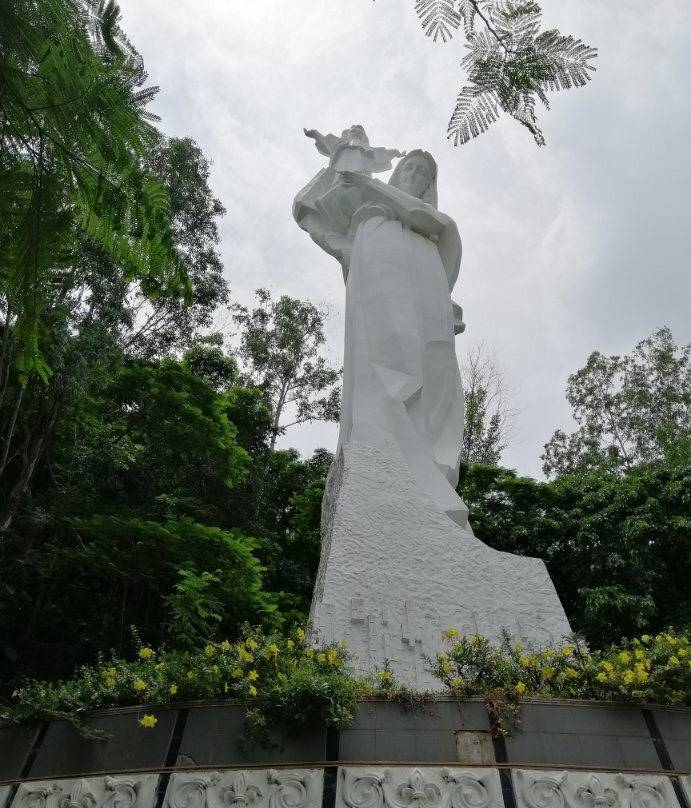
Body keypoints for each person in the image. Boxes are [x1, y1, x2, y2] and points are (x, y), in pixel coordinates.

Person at [293, 149, 469, 527]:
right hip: (381, 273)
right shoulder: (369, 223)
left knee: (437, 369)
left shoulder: (431, 225)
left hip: (429, 296)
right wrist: (341, 158)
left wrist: (369, 184)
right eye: (410, 167)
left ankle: (430, 468)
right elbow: (308, 212)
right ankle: (394, 455)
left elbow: (428, 220)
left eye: (423, 172)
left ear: (429, 184)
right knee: (391, 360)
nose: (415, 174)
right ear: (398, 172)